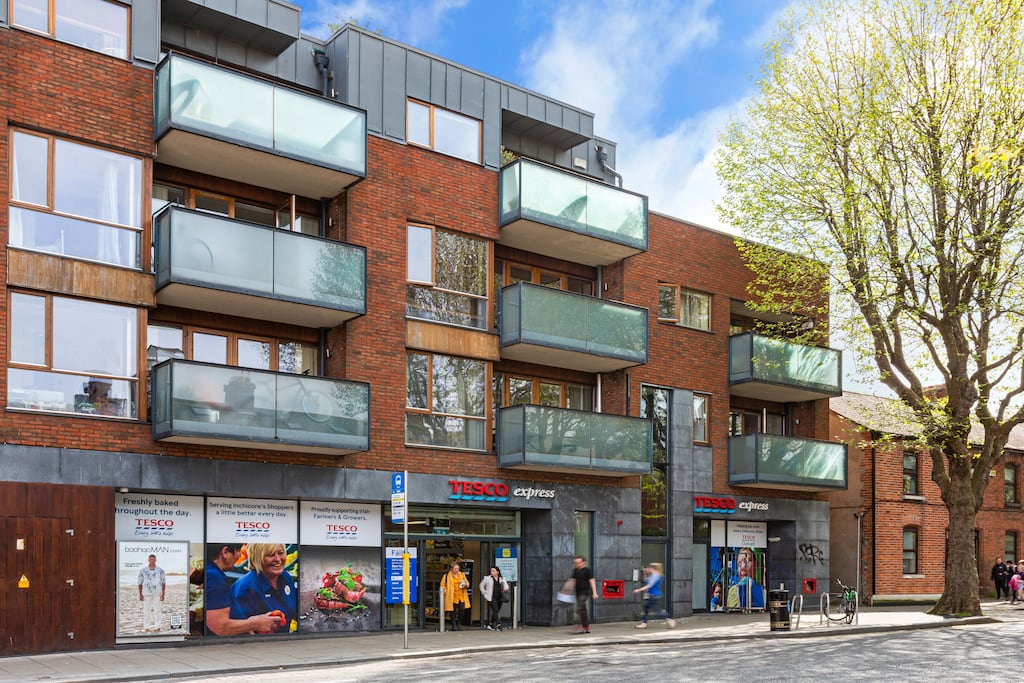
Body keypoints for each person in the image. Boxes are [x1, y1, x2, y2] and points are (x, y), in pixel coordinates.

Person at [204, 544, 280, 636]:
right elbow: (220, 627)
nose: (240, 555)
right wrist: (255, 624)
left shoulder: (211, 572)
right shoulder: (214, 577)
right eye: (238, 551)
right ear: (225, 552)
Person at [229, 543, 296, 634]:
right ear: (257, 558)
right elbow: (239, 629)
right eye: (270, 555)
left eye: (280, 553)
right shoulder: (245, 587)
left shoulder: (285, 577)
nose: (277, 559)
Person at [632, 562, 677, 628]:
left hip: (653, 595)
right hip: (652, 594)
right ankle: (644, 623)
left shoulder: (655, 576)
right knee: (646, 608)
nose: (648, 569)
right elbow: (647, 580)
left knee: (656, 609)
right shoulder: (655, 575)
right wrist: (645, 573)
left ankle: (669, 619)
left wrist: (638, 590)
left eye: (649, 568)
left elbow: (649, 585)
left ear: (652, 568)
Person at [137, 554, 166, 632]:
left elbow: (163, 582)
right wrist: (140, 594)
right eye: (151, 559)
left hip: (157, 593)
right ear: (148, 560)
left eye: (153, 559)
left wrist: (163, 593)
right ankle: (146, 627)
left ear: (156, 560)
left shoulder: (160, 571)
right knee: (146, 611)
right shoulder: (143, 571)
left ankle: (158, 627)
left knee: (157, 610)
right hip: (146, 593)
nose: (152, 561)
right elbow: (140, 583)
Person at [440, 561, 471, 631]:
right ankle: (454, 624)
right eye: (455, 569)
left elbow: (467, 583)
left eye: (457, 569)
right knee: (452, 611)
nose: (456, 570)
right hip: (452, 596)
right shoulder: (447, 576)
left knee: (462, 609)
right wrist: (446, 592)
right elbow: (442, 585)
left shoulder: (462, 575)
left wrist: (465, 585)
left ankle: (459, 622)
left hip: (461, 596)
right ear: (451, 569)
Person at [571, 555, 598, 634]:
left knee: (579, 609)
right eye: (575, 563)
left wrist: (595, 592)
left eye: (578, 562)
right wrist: (567, 590)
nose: (576, 564)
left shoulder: (587, 570)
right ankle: (586, 627)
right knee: (583, 610)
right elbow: (573, 580)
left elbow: (592, 581)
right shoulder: (575, 570)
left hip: (584, 592)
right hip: (577, 592)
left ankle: (583, 626)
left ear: (583, 562)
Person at [479, 565, 509, 631]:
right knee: (495, 610)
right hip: (491, 597)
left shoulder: (502, 578)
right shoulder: (487, 578)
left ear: (497, 572)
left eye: (493, 571)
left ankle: (491, 624)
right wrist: (484, 593)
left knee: (496, 611)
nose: (492, 572)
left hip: (500, 597)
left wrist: (505, 588)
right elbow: (481, 585)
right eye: (491, 571)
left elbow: (506, 586)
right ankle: (498, 625)